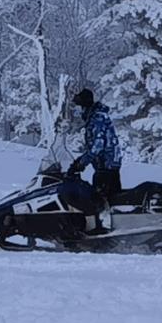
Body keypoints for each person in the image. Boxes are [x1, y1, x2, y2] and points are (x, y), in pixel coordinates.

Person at [61, 85, 122, 224]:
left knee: (99, 199)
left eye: (78, 106)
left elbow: (98, 145)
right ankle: (108, 226)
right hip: (108, 163)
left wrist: (82, 163)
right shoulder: (96, 117)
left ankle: (101, 229)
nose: (76, 110)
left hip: (106, 165)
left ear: (84, 106)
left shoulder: (97, 118)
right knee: (110, 199)